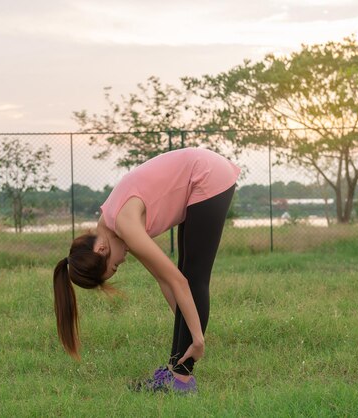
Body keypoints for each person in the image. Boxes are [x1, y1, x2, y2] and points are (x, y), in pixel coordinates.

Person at [53, 147, 240, 393]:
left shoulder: (124, 225)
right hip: (198, 177)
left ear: (100, 249)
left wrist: (197, 338)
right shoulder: (107, 228)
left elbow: (179, 283)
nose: (123, 261)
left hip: (207, 174)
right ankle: (175, 370)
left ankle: (180, 382)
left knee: (195, 277)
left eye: (115, 265)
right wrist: (184, 327)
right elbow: (164, 280)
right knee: (187, 274)